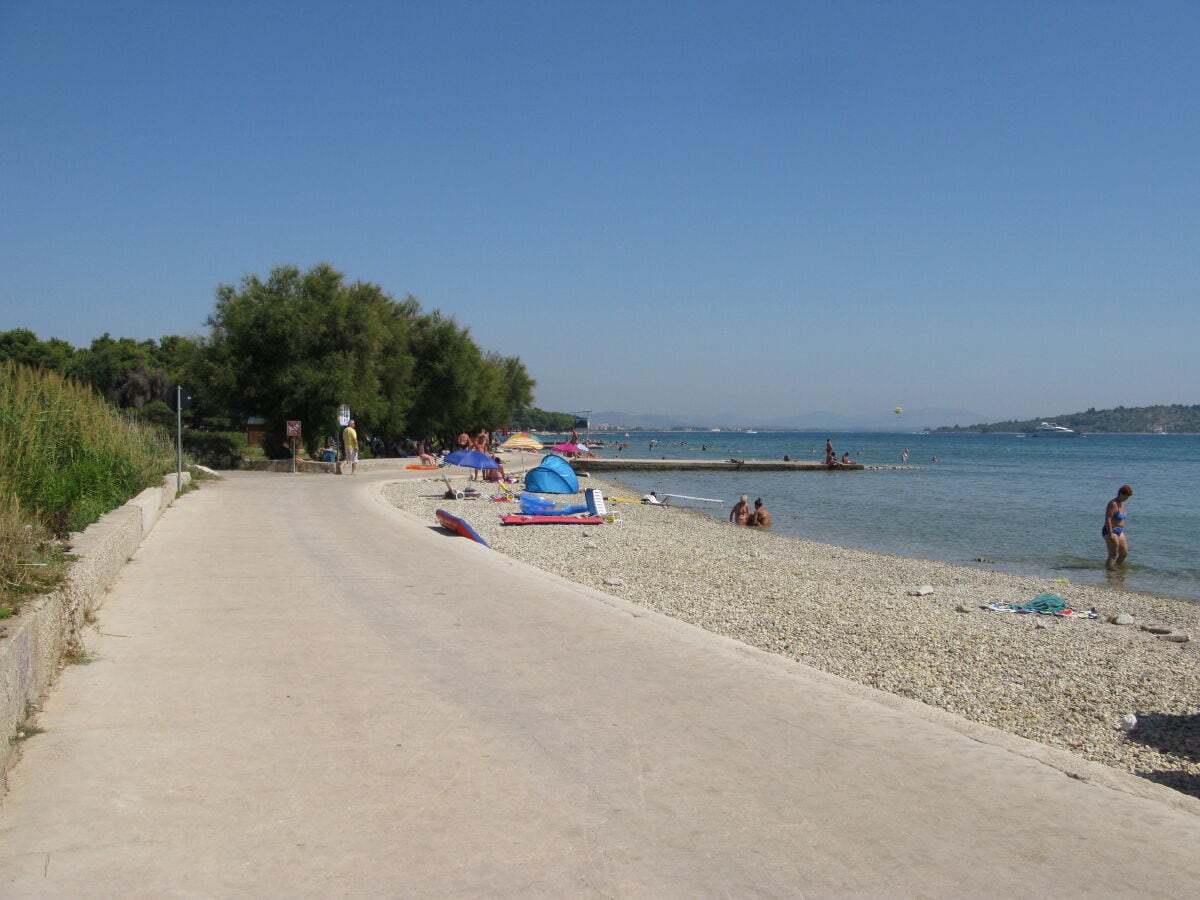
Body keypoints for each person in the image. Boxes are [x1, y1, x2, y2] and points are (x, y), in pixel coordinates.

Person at [1103, 484, 1133, 570]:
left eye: (1128, 497)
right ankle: (1109, 572)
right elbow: (1108, 519)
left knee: (1124, 553)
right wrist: (1110, 534)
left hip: (1119, 530)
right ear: (1120, 493)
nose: (1126, 499)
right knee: (1113, 554)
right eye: (1126, 497)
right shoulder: (1113, 504)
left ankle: (1116, 568)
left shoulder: (1121, 504)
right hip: (1110, 530)